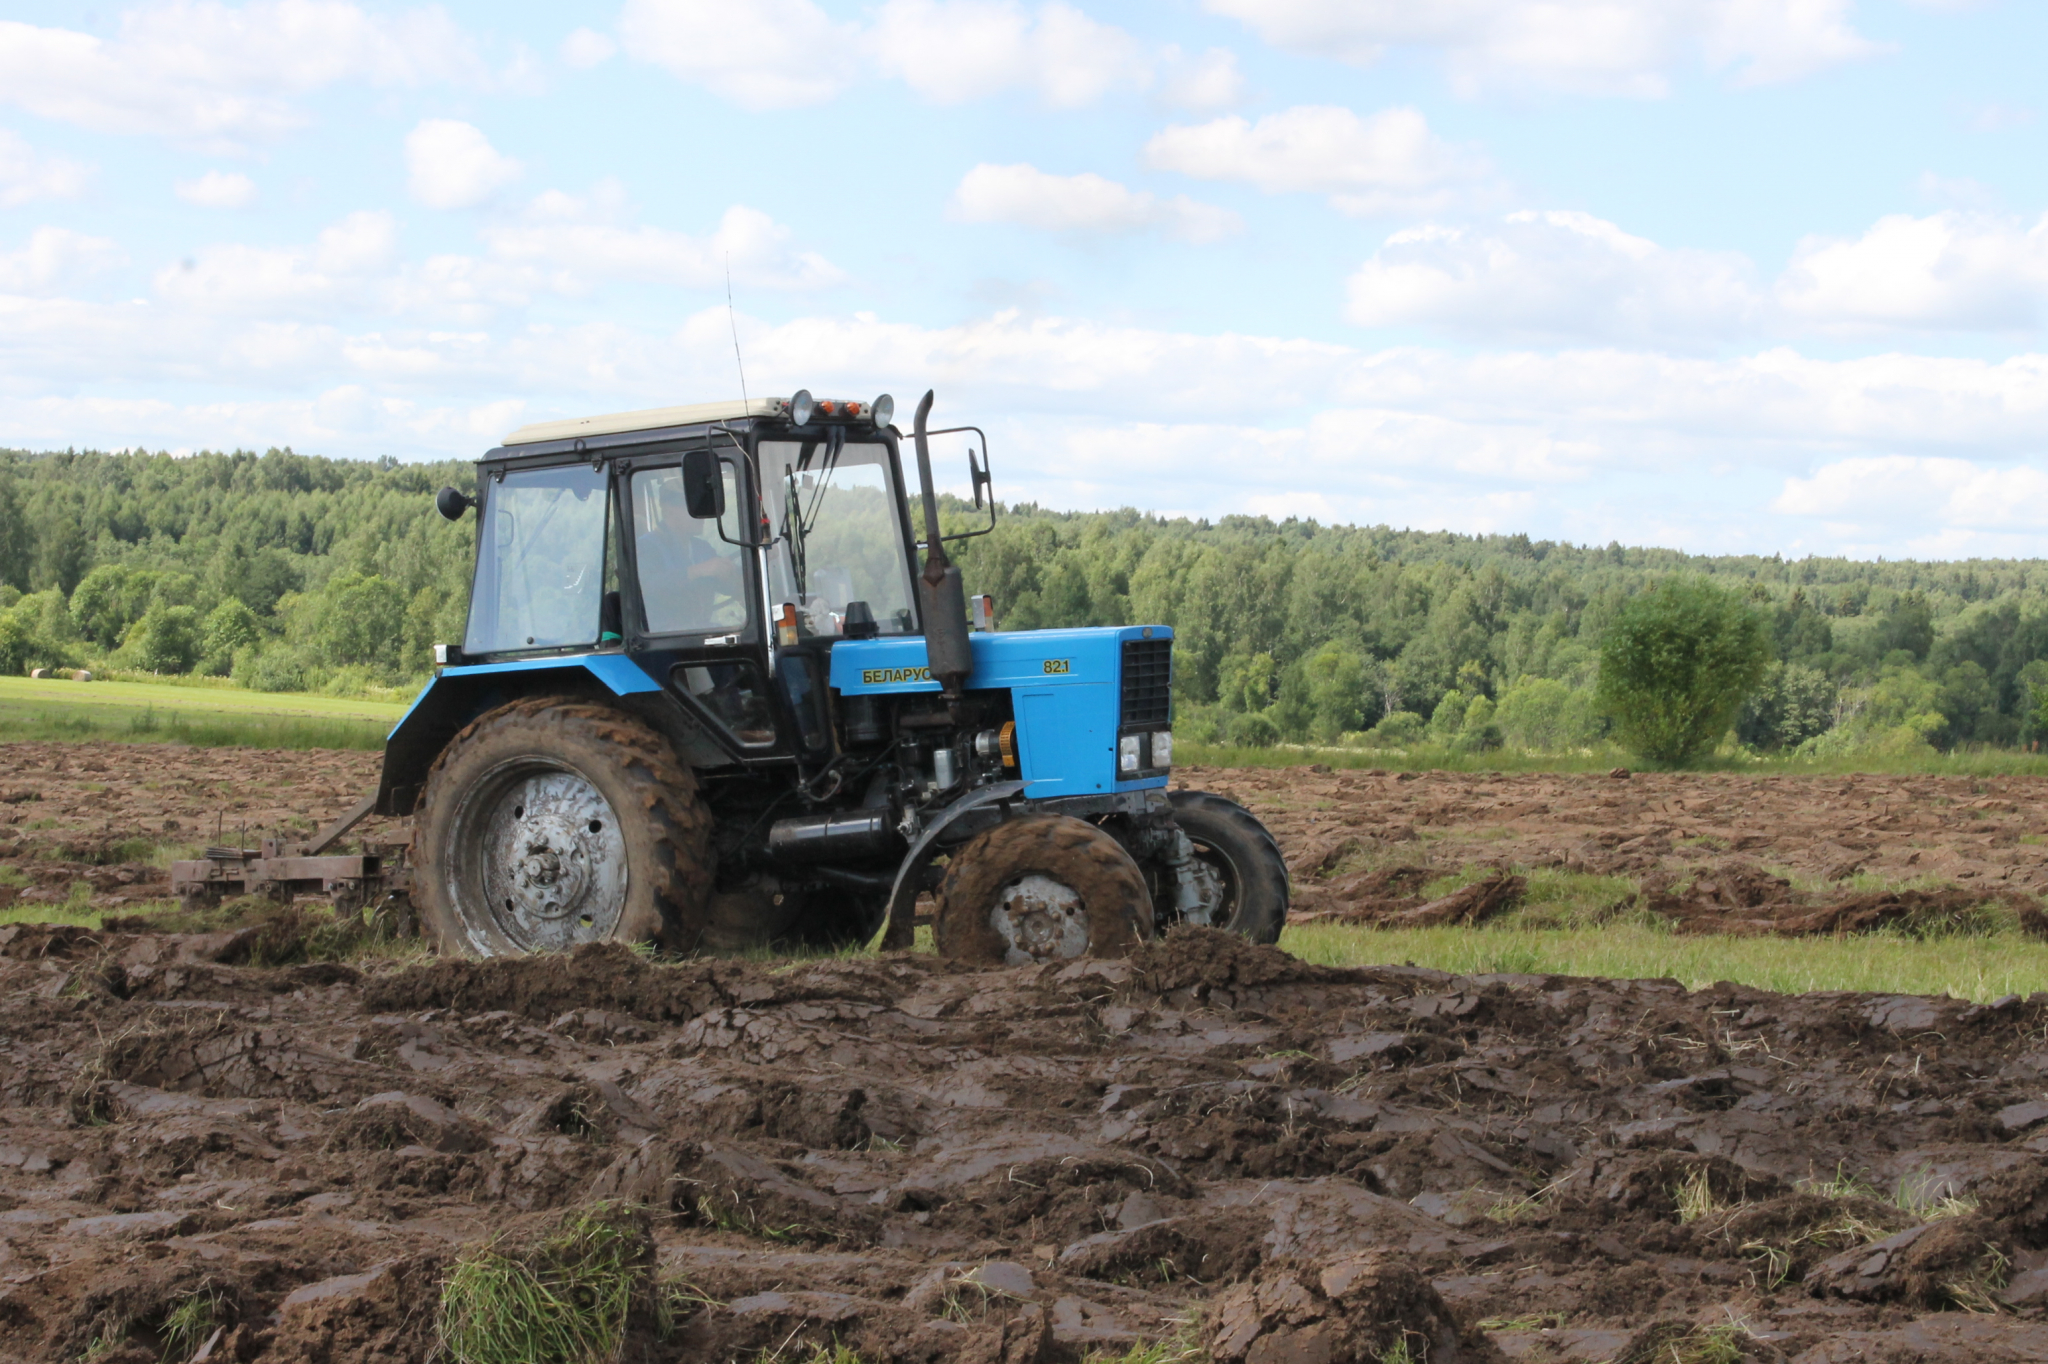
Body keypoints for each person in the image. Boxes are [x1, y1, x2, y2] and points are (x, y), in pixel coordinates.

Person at [636, 471, 743, 633]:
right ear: (669, 510)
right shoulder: (646, 547)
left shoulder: (702, 548)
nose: (702, 515)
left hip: (700, 633)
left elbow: (728, 586)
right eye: (694, 508)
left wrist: (752, 565)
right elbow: (648, 587)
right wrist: (697, 571)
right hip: (661, 640)